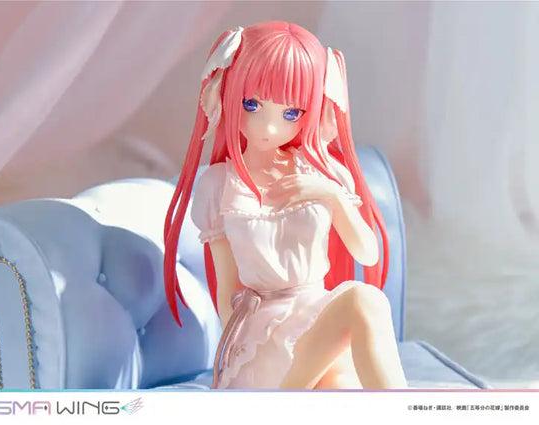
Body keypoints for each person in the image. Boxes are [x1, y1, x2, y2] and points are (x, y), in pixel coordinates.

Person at [163, 21, 407, 390]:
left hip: (317, 319)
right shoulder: (219, 185)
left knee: (344, 378)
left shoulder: (321, 173)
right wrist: (233, 361)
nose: (269, 128)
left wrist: (331, 194)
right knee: (362, 301)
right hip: (262, 337)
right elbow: (227, 290)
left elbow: (367, 254)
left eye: (290, 113)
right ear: (228, 95)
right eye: (252, 105)